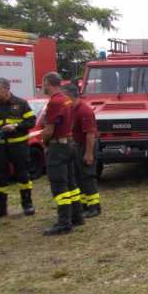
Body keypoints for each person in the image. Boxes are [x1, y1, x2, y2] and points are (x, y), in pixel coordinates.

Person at [0, 77, 36, 222]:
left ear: (7, 88)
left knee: (23, 175)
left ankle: (27, 205)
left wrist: (15, 126)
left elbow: (31, 121)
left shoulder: (21, 103)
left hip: (19, 146)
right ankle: (0, 209)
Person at [41, 72, 83, 236]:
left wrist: (43, 140)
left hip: (58, 147)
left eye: (43, 83)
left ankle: (64, 223)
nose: (43, 87)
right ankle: (77, 216)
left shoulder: (54, 102)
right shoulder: (66, 99)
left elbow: (49, 130)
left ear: (48, 83)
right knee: (71, 183)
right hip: (69, 143)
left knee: (59, 185)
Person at [63, 84, 101, 217]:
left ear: (70, 95)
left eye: (63, 95)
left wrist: (89, 154)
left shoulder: (84, 111)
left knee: (87, 176)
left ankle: (94, 207)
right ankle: (84, 204)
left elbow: (90, 134)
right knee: (78, 177)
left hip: (86, 146)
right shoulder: (71, 109)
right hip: (76, 146)